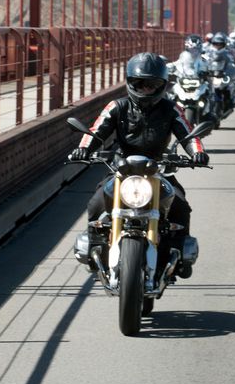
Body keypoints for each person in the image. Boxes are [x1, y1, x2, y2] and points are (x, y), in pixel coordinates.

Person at [67, 53, 210, 280]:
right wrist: (83, 149)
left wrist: (198, 154)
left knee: (181, 205)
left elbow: (188, 134)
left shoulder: (171, 109)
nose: (145, 90)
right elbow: (96, 131)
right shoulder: (117, 106)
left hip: (160, 168)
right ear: (130, 82)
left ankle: (180, 256)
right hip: (122, 169)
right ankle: (95, 251)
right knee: (95, 203)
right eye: (140, 84)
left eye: (152, 85)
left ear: (162, 85)